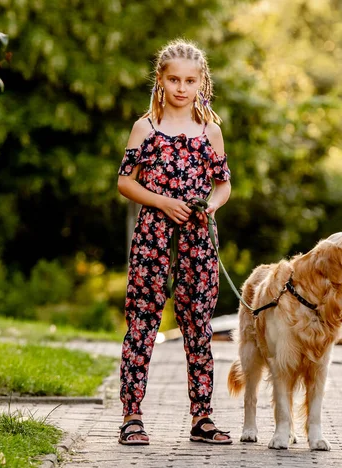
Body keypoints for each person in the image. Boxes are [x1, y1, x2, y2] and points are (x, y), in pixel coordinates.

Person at [116, 39, 232, 446]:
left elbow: (224, 185)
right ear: (161, 80)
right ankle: (132, 415)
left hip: (198, 239)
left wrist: (212, 207)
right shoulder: (145, 128)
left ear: (202, 83)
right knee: (143, 322)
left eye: (189, 80)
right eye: (173, 79)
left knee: (198, 325)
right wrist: (163, 202)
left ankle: (202, 417)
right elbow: (125, 182)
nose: (181, 88)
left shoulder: (210, 131)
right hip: (153, 234)